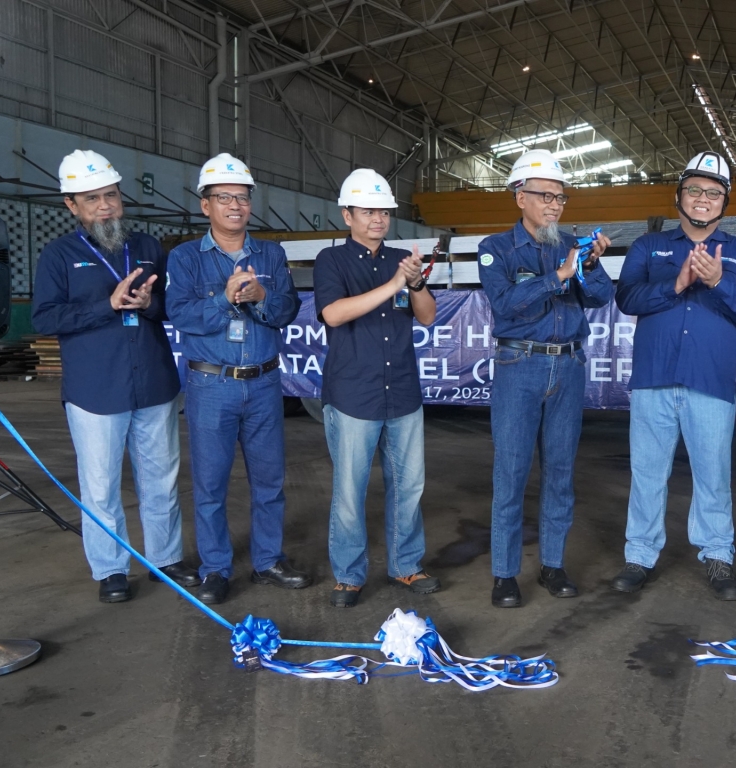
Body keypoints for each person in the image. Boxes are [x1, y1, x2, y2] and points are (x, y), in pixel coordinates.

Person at [32, 149, 196, 603]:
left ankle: (165, 559)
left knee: (161, 477)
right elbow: (44, 318)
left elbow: (171, 307)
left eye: (110, 195)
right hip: (95, 389)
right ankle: (111, 569)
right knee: (100, 485)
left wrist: (148, 306)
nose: (104, 205)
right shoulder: (58, 255)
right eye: (91, 199)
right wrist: (106, 305)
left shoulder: (146, 248)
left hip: (154, 383)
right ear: (72, 206)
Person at [610, 151, 736, 601]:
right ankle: (639, 556)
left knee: (713, 474)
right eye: (695, 190)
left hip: (710, 382)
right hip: (653, 380)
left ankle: (717, 555)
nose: (703, 199)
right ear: (678, 196)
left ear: (725, 202)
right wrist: (676, 284)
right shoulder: (648, 247)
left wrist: (719, 281)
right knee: (647, 473)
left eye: (713, 192)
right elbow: (627, 299)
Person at [165, 153, 308, 605]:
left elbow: (285, 311)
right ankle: (215, 568)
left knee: (269, 480)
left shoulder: (271, 254)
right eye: (224, 197)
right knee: (210, 483)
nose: (235, 205)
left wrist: (263, 295)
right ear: (205, 205)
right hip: (211, 386)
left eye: (242, 198)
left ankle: (268, 560)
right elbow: (181, 315)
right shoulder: (186, 258)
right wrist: (226, 300)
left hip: (264, 384)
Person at [477, 148, 614, 608]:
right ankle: (504, 573)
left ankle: (553, 565)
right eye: (545, 196)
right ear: (520, 197)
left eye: (560, 197)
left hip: (568, 366)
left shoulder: (572, 246)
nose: (554, 205)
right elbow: (506, 305)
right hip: (520, 366)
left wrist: (590, 265)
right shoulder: (495, 249)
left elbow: (599, 299)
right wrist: (559, 274)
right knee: (510, 472)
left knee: (560, 473)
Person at [315, 169, 441, 608]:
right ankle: (348, 575)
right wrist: (392, 285)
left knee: (409, 485)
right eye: (367, 211)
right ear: (347, 214)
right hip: (353, 394)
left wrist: (417, 281)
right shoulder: (331, 261)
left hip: (402, 390)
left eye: (384, 212)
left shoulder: (401, 260)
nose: (377, 219)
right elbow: (332, 314)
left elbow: (426, 316)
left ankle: (406, 564)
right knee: (350, 491)